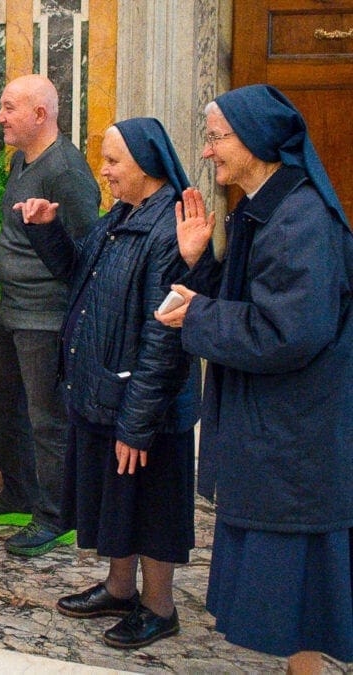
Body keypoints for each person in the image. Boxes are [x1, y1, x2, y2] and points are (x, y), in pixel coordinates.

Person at [156, 85, 352, 673]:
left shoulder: (299, 218)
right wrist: (199, 266)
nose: (209, 151)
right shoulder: (267, 206)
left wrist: (198, 314)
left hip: (296, 432)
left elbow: (290, 331)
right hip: (278, 426)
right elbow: (254, 303)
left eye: (217, 137)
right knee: (300, 590)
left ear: (259, 141)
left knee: (304, 578)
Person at [16, 118, 198, 648]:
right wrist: (46, 230)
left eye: (113, 161)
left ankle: (159, 607)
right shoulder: (121, 215)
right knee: (117, 501)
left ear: (145, 164)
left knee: (152, 505)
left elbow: (163, 337)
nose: (104, 170)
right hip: (107, 389)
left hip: (148, 405)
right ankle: (120, 588)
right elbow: (79, 274)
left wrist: (136, 424)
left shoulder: (168, 228)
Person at [0, 74, 100, 557]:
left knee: (48, 419)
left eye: (7, 108)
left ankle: (57, 514)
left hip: (46, 316)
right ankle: (19, 494)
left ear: (40, 114)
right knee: (3, 404)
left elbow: (90, 248)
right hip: (12, 309)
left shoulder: (66, 169)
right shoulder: (22, 159)